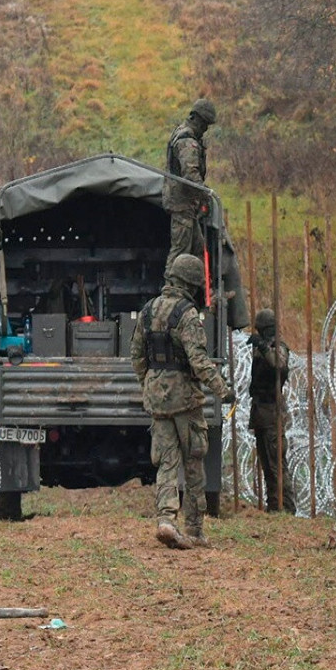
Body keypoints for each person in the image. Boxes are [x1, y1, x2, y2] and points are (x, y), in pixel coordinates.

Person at [130, 253, 234, 550]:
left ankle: (165, 519)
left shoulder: (148, 310)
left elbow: (137, 356)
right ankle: (195, 529)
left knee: (165, 461)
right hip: (185, 400)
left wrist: (149, 384)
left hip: (157, 398)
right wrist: (222, 389)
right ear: (191, 282)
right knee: (193, 460)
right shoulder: (187, 314)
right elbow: (199, 361)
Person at [248, 308, 295, 514]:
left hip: (272, 410)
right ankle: (273, 505)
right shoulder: (264, 347)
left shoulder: (278, 347)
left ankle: (286, 507)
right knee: (267, 463)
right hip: (260, 410)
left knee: (277, 463)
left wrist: (265, 347)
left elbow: (279, 364)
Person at [163, 98, 217, 275]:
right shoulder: (187, 140)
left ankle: (199, 290)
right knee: (180, 252)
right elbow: (190, 175)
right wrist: (206, 195)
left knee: (198, 251)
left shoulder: (183, 134)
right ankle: (171, 291)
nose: (205, 129)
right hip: (182, 205)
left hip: (186, 205)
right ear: (196, 119)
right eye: (204, 124)